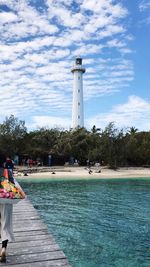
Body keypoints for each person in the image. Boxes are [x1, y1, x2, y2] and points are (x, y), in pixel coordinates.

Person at [0, 154, 15, 263]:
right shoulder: (7, 172)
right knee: (6, 224)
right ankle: (3, 248)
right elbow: (13, 187)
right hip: (6, 200)